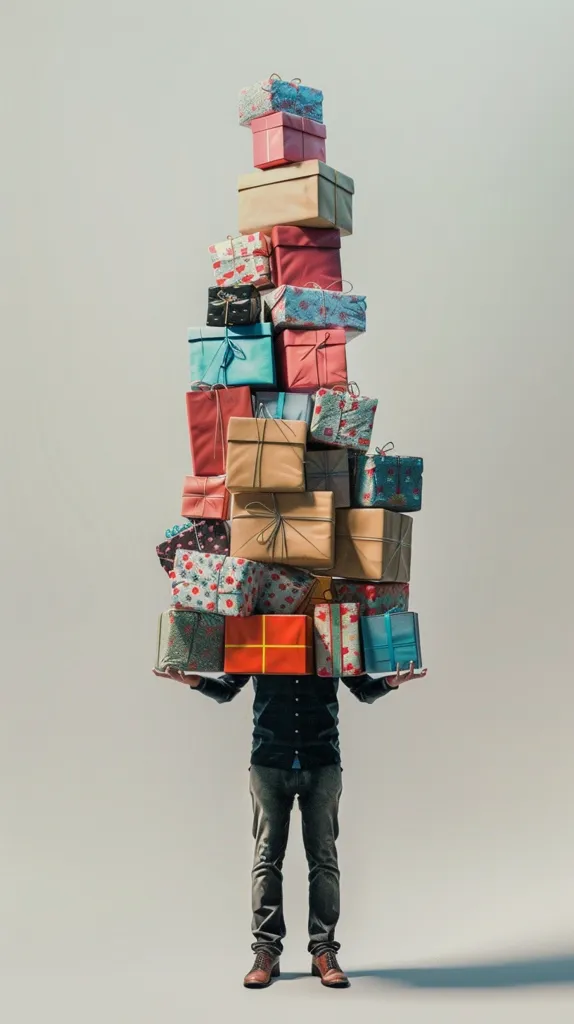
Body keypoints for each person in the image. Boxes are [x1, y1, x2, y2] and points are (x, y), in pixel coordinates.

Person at [153, 659, 427, 989]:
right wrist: (194, 680)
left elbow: (363, 689)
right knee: (267, 859)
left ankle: (323, 950)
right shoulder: (260, 635)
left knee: (324, 859)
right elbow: (227, 689)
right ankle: (266, 951)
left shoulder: (331, 633)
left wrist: (391, 682)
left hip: (322, 760)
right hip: (269, 762)